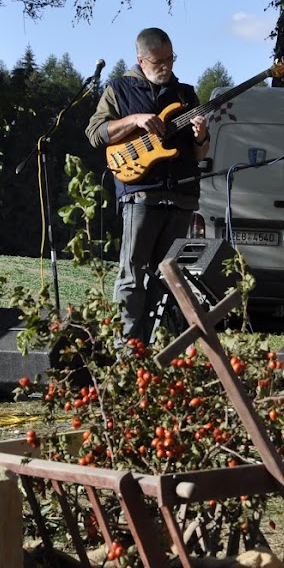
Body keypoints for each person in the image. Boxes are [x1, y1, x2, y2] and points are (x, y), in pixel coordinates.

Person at [86, 27, 210, 341]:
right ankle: (125, 350)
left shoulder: (185, 94)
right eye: (159, 62)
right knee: (132, 274)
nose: (167, 66)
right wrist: (136, 119)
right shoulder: (118, 89)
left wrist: (201, 136)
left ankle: (157, 348)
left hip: (181, 195)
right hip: (140, 193)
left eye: (170, 59)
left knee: (166, 277)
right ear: (141, 60)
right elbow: (95, 133)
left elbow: (200, 153)